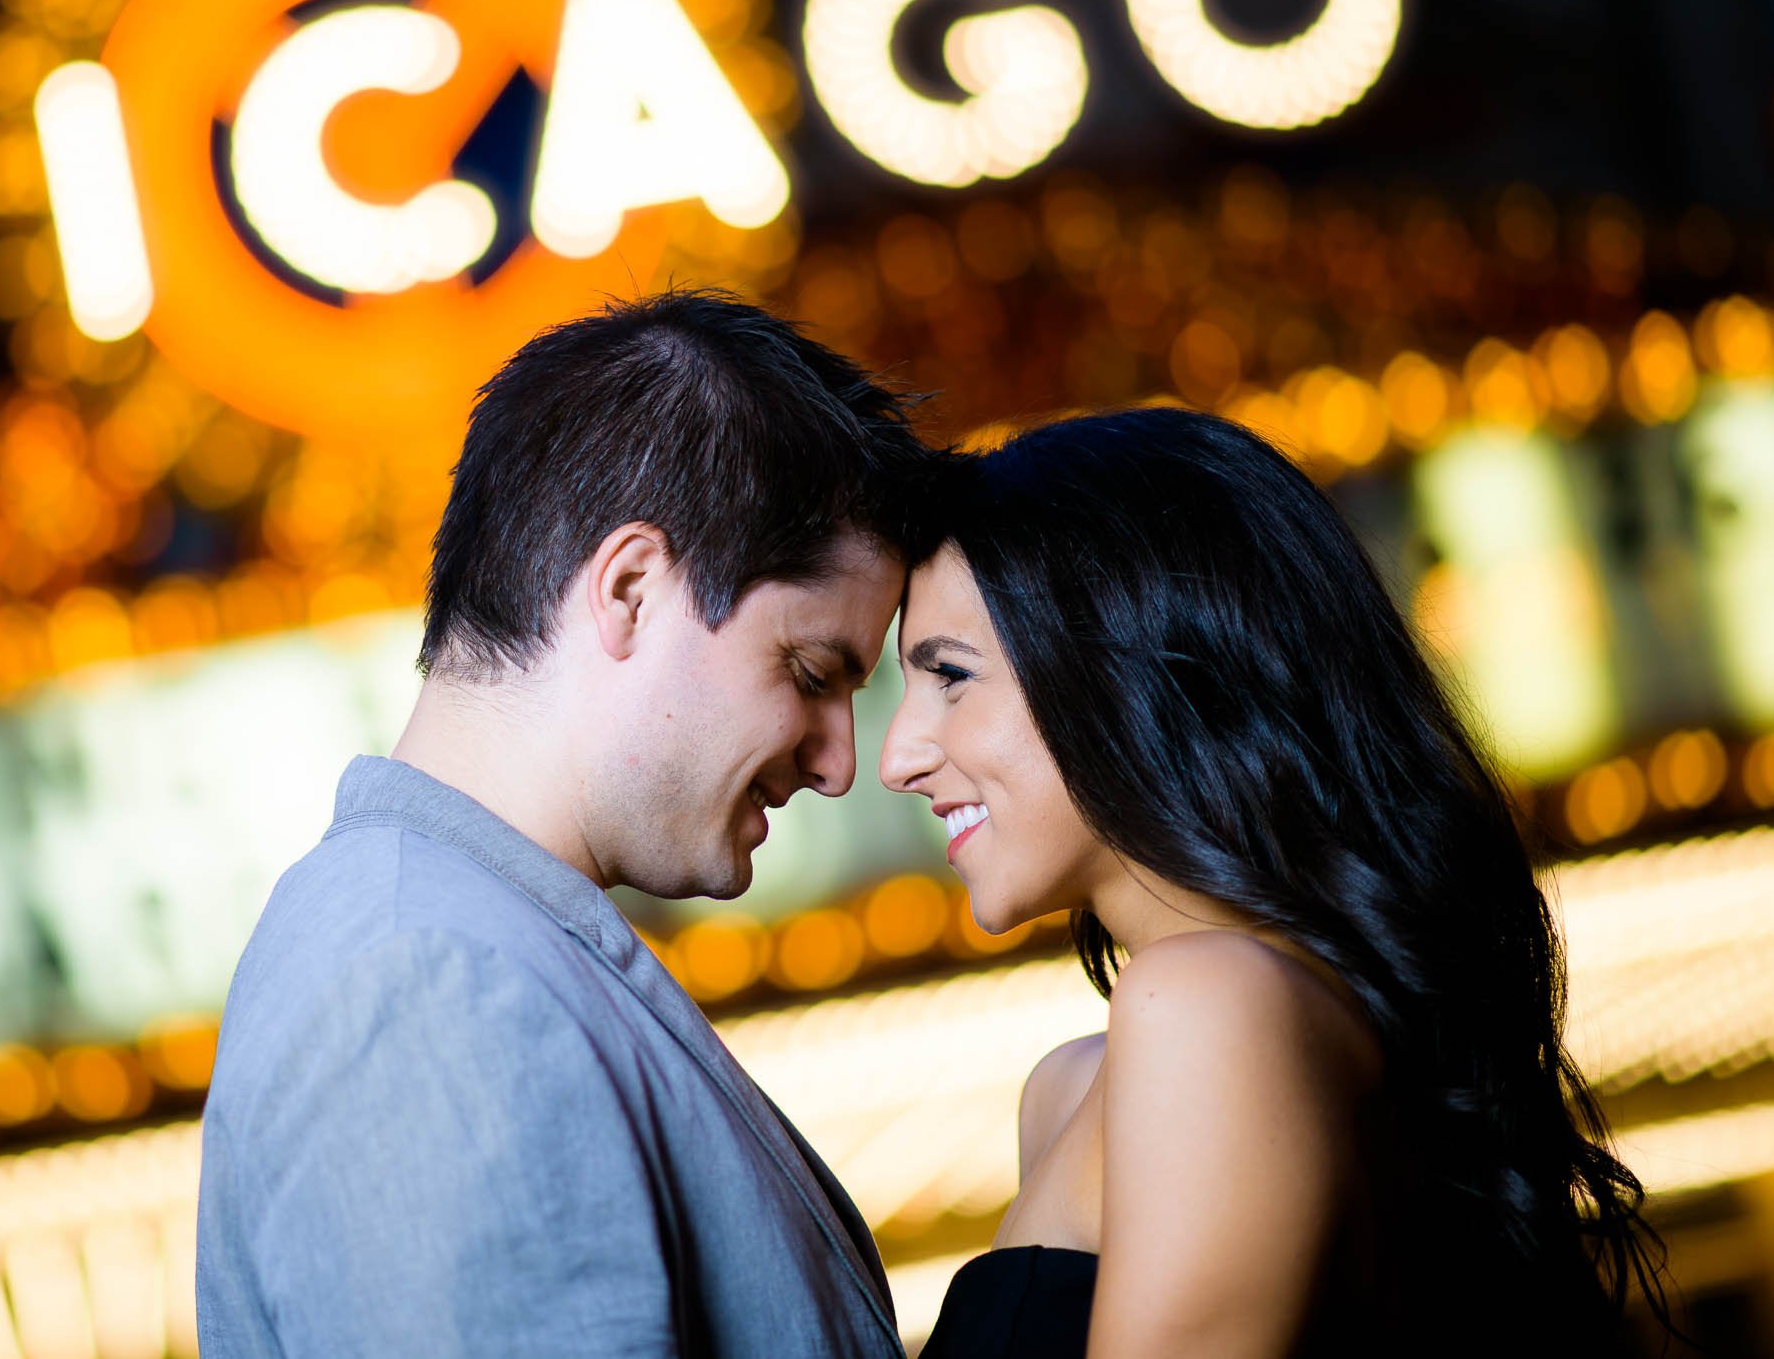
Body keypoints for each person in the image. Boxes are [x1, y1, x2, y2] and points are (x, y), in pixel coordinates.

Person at [197, 290, 920, 1357]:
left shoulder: (449, 945)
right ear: (629, 588)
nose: (839, 761)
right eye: (811, 672)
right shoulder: (429, 984)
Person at [880, 408, 1670, 1359]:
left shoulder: (1210, 1006)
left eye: (952, 677)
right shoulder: (1079, 1084)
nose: (899, 756)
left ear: (1127, 665)